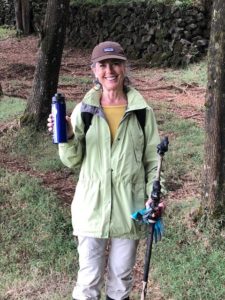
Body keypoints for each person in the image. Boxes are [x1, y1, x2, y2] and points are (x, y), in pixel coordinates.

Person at [47, 41, 164, 300]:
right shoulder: (84, 110)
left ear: (124, 68)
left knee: (121, 281)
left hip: (129, 209)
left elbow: (153, 161)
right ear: (94, 70)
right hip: (91, 209)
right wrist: (65, 136)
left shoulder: (143, 112)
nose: (109, 70)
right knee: (88, 280)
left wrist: (153, 196)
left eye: (115, 64)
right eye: (103, 65)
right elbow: (72, 160)